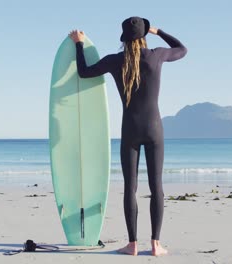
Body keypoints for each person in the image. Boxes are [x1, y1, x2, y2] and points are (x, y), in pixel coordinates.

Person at [69, 16, 187, 256]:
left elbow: (83, 72)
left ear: (124, 39)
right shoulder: (156, 55)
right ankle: (155, 245)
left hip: (130, 130)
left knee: (130, 187)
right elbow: (182, 49)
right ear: (144, 36)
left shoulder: (116, 61)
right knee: (157, 187)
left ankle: (132, 245)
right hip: (155, 130)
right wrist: (158, 31)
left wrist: (78, 44)